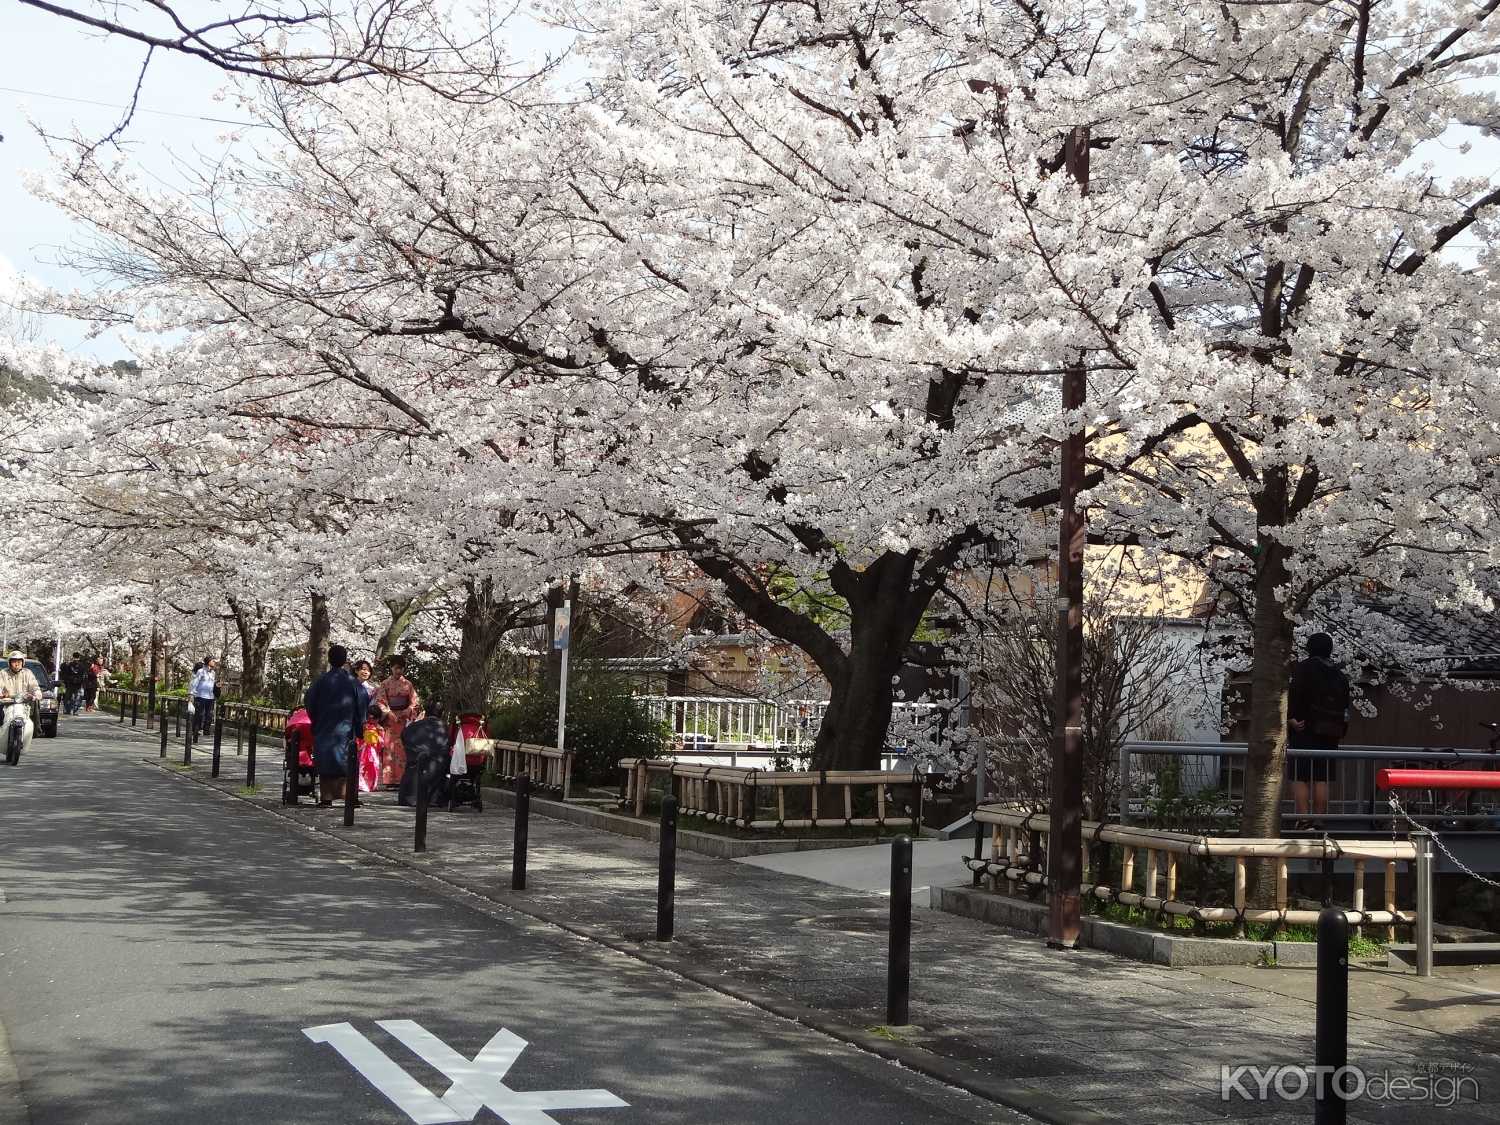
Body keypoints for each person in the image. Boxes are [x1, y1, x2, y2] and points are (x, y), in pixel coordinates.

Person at [1288, 632, 1351, 827]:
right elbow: (1345, 706)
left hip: (1304, 729)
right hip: (1330, 731)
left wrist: (1291, 719)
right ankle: (1319, 818)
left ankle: (1304, 818)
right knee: (1322, 777)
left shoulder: (1303, 669)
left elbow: (1294, 695)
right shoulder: (1340, 675)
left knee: (1300, 775)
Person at [303, 645, 368, 807]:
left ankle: (327, 797)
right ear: (345, 660)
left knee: (326, 761)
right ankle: (349, 797)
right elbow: (362, 704)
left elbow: (309, 703)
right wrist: (360, 726)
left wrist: (316, 721)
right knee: (348, 761)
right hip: (347, 730)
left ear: (329, 659)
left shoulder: (320, 681)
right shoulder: (353, 683)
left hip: (325, 729)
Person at [374, 655, 421, 789]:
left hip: (403, 719)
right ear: (391, 668)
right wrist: (388, 712)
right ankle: (389, 780)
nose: (398, 671)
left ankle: (401, 779)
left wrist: (409, 710)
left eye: (401, 669)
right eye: (396, 668)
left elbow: (414, 701)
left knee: (402, 749)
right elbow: (380, 700)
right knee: (389, 748)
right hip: (390, 719)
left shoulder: (408, 684)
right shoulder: (385, 684)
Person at [397, 701, 449, 807]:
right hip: (436, 775)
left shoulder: (412, 727)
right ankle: (434, 798)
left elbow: (404, 737)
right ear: (442, 713)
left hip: (413, 775)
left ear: (425, 712)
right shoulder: (445, 728)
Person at [189, 657, 218, 736]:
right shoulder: (201, 671)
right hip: (200, 695)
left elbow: (212, 684)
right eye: (213, 661)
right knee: (199, 714)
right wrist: (191, 693)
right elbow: (195, 682)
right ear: (208, 662)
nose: (214, 662)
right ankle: (196, 729)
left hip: (210, 696)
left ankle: (206, 730)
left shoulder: (213, 673)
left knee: (209, 714)